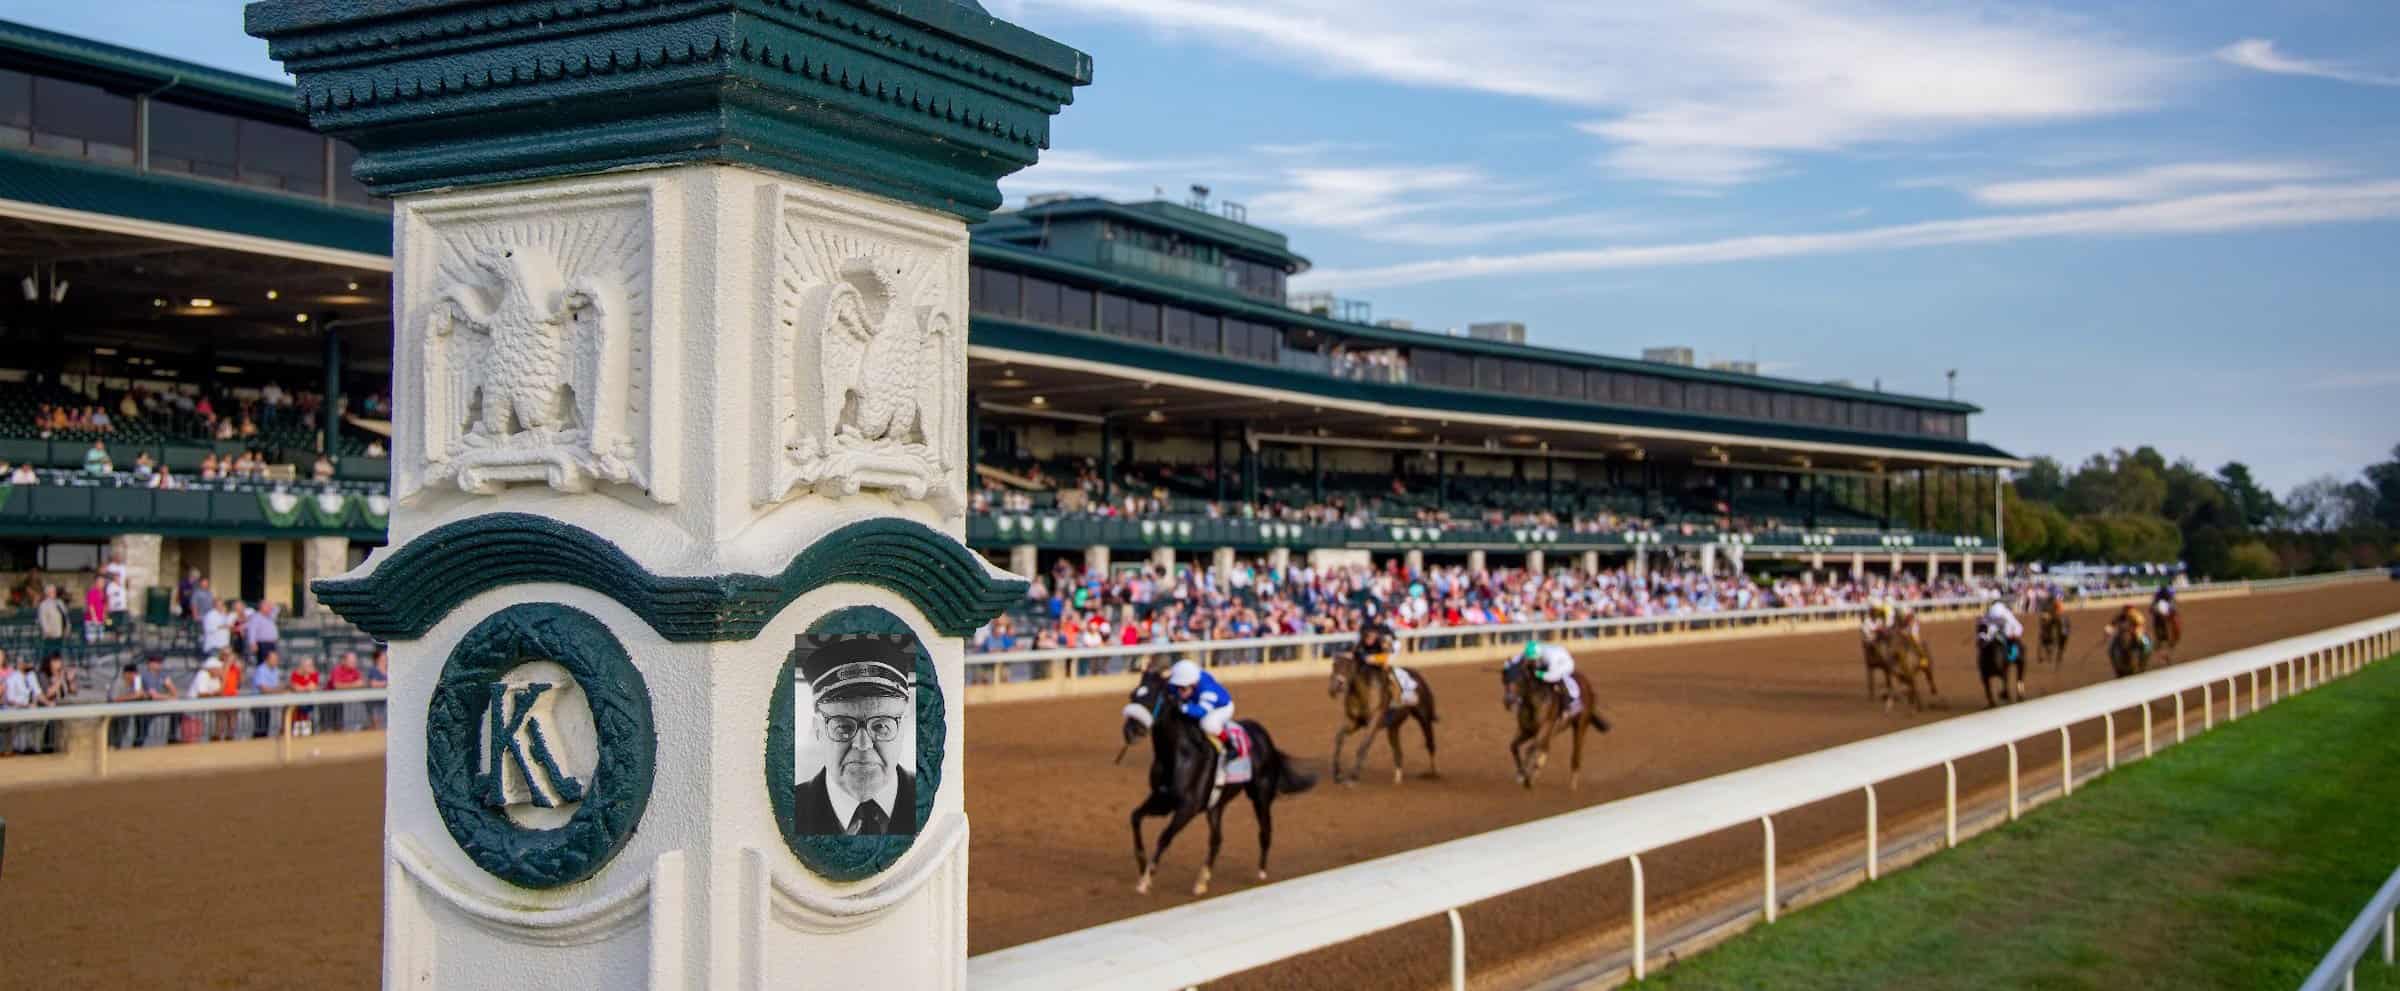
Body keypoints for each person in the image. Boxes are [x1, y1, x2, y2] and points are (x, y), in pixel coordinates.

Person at [790, 636, 917, 836]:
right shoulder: (785, 810)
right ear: (818, 731)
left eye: (881, 725)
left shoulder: (933, 799)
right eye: (843, 727)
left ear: (903, 728)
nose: (863, 744)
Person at [1519, 640, 1583, 715]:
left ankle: (1570, 704)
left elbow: (1553, 676)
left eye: (1533, 658)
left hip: (1564, 665)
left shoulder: (1551, 657)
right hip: (1550, 660)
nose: (1532, 660)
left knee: (1557, 683)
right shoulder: (1535, 651)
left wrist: (1538, 674)